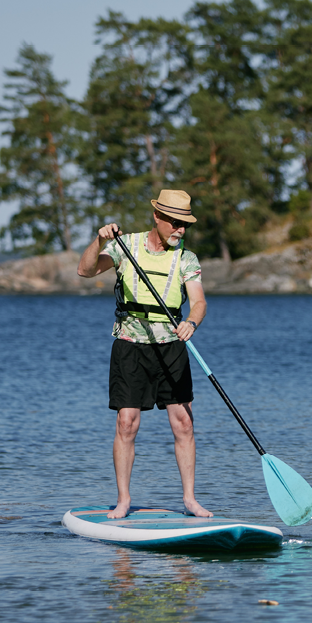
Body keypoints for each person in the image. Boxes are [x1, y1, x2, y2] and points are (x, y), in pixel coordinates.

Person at [77, 189, 212, 520]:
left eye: (185, 225)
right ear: (158, 217)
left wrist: (192, 321)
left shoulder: (187, 259)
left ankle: (190, 500)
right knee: (127, 423)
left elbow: (199, 301)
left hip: (172, 346)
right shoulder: (127, 246)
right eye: (175, 223)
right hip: (130, 345)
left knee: (183, 423)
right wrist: (98, 239)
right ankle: (123, 500)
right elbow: (86, 270)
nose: (180, 230)